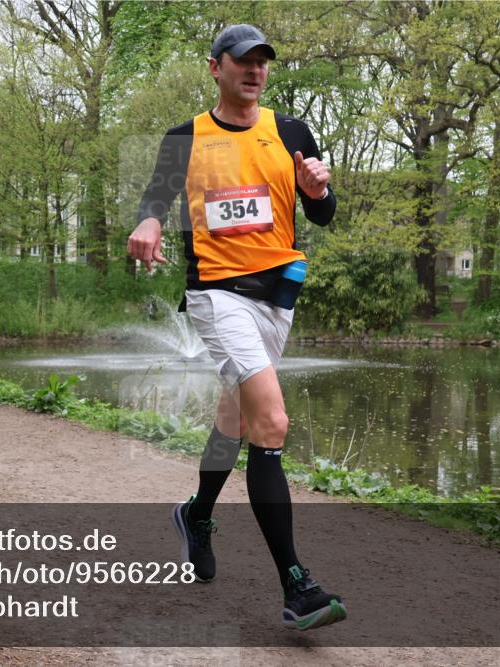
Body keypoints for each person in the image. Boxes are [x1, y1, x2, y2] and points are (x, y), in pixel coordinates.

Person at [127, 24, 346, 630]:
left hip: (278, 296)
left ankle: (197, 514)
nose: (254, 71)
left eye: (263, 62)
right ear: (215, 68)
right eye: (243, 61)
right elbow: (154, 200)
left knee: (235, 418)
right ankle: (297, 586)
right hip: (216, 293)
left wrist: (319, 191)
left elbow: (323, 213)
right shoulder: (184, 139)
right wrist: (147, 224)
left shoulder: (292, 132)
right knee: (270, 422)